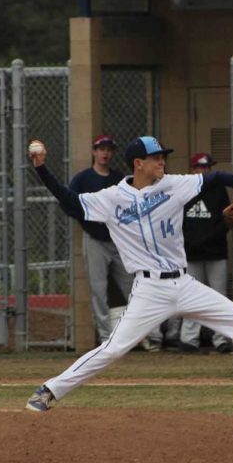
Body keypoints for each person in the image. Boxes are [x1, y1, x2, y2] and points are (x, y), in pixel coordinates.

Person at [24, 136, 233, 420]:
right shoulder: (112, 198)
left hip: (185, 283)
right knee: (114, 348)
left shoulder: (174, 184)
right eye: (156, 158)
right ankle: (49, 390)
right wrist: (42, 169)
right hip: (149, 289)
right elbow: (71, 203)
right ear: (138, 164)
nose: (162, 161)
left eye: (162, 156)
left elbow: (216, 178)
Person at [66, 134, 161, 351]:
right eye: (101, 149)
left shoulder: (119, 178)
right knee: (98, 290)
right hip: (94, 240)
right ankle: (106, 339)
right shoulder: (83, 179)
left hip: (120, 241)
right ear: (94, 152)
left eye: (109, 149)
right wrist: (89, 221)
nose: (105, 153)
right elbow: (70, 204)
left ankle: (141, 336)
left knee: (135, 286)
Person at [175, 152, 233, 354]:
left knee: (219, 297)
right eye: (201, 167)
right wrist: (189, 243)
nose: (205, 171)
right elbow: (177, 222)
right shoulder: (184, 190)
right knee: (191, 297)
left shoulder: (218, 190)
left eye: (208, 167)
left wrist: (210, 237)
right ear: (193, 170)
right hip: (191, 253)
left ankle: (221, 339)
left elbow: (227, 219)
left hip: (215, 251)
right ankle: (189, 339)